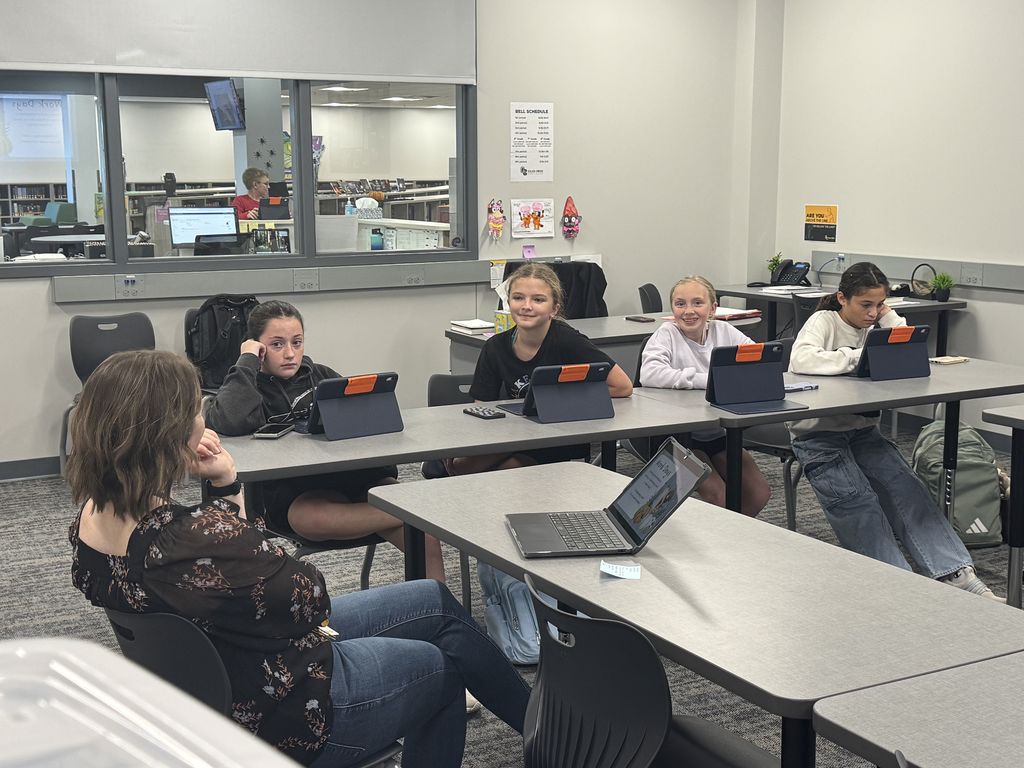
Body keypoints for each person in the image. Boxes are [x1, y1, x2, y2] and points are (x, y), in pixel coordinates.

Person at [67, 350, 531, 768]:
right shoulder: (194, 539)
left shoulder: (90, 520)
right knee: (439, 669)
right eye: (195, 409)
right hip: (285, 707)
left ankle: (539, 733)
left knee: (431, 599)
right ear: (168, 435)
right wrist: (230, 494)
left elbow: (234, 575)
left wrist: (226, 486)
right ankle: (542, 736)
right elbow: (310, 599)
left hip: (228, 670)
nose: (202, 418)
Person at [788, 261, 997, 598]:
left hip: (863, 431)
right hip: (818, 435)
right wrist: (858, 355)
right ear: (842, 298)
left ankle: (956, 574)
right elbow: (802, 360)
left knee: (908, 490)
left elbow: (903, 344)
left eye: (878, 305)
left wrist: (888, 318)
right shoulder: (823, 321)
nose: (872, 313)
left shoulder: (879, 322)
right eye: (865, 305)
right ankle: (898, 589)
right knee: (859, 503)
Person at [204, 300, 446, 582]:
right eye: (277, 344)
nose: (290, 354)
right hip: (297, 496)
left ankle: (440, 607)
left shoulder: (321, 376)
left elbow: (359, 420)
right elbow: (229, 421)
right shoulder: (246, 384)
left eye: (297, 342)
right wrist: (246, 361)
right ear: (256, 346)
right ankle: (413, 514)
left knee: (425, 534)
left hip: (355, 480)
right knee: (316, 518)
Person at [449, 261, 633, 475]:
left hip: (555, 437)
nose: (526, 306)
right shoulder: (495, 347)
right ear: (508, 302)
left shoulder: (568, 341)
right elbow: (481, 407)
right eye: (518, 298)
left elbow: (623, 386)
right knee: (483, 469)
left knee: (487, 470)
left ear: (554, 309)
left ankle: (452, 472)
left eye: (538, 300)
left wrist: (560, 398)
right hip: (513, 434)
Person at [639, 276, 771, 516]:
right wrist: (708, 381)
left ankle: (730, 540)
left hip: (717, 430)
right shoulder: (666, 333)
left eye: (697, 303)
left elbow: (757, 362)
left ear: (713, 308)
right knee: (718, 495)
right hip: (674, 434)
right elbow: (650, 374)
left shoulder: (724, 331)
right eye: (680, 304)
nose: (688, 311)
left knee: (759, 493)